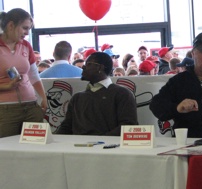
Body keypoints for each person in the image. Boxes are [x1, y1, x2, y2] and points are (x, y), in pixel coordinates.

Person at [56, 52, 138, 136]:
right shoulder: (77, 98)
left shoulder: (122, 94)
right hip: (76, 147)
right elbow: (66, 127)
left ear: (100, 67)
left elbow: (128, 126)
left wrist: (99, 141)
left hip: (109, 147)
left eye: (88, 64)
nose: (83, 67)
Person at [0, 8, 47, 138]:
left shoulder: (26, 45)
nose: (27, 33)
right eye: (24, 28)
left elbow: (33, 75)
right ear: (10, 26)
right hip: (5, 110)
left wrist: (43, 97)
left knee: (37, 147)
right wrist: (6, 87)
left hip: (31, 106)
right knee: (7, 152)